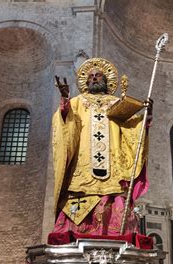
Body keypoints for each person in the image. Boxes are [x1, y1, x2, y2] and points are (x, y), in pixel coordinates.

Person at [52, 57, 153, 236]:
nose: (94, 78)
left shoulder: (117, 103)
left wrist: (145, 118)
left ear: (105, 80)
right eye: (91, 77)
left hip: (114, 168)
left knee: (114, 203)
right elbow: (67, 126)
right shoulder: (77, 102)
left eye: (98, 75)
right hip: (83, 168)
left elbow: (131, 130)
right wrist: (65, 102)